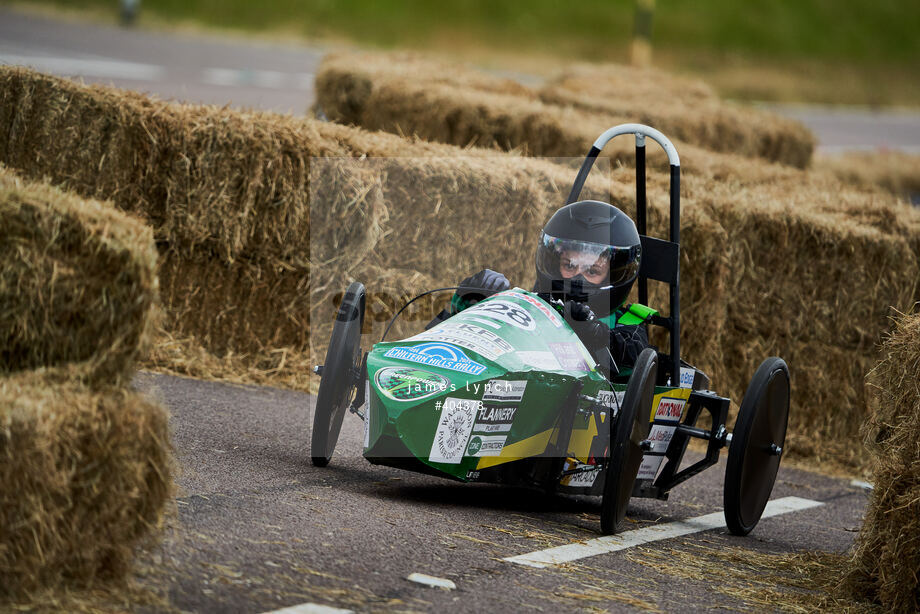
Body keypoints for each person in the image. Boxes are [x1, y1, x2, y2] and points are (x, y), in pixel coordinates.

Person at [449, 200, 652, 371]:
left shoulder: (628, 326)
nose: (578, 279)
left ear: (611, 277)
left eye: (592, 271)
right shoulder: (530, 307)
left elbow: (631, 356)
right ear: (555, 265)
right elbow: (443, 338)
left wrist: (593, 333)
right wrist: (469, 300)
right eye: (570, 265)